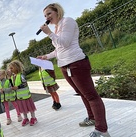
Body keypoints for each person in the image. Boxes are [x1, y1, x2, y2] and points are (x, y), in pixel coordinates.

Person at [37, 3, 110, 137]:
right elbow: (59, 49)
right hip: (65, 66)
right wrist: (46, 56)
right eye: (45, 15)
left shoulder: (67, 21)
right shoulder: (57, 28)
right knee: (81, 93)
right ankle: (92, 118)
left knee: (91, 96)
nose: (47, 17)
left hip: (76, 63)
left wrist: (49, 34)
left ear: (57, 11)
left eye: (49, 14)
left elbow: (65, 42)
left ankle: (102, 130)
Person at [8, 60, 38, 126]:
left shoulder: (21, 75)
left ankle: (33, 118)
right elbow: (12, 85)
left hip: (26, 96)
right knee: (23, 108)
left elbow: (25, 83)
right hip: (19, 96)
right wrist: (10, 80)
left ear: (16, 67)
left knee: (30, 107)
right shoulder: (13, 77)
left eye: (11, 68)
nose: (10, 70)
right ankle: (25, 118)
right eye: (9, 68)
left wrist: (18, 87)